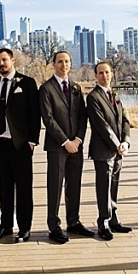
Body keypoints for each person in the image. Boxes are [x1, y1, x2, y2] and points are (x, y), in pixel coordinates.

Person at [0, 48, 41, 243]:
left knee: (24, 188)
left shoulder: (27, 83)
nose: (1, 64)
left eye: (4, 60)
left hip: (21, 144)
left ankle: (24, 228)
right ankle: (6, 225)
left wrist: (32, 142)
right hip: (0, 145)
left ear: (12, 60)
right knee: (5, 187)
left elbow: (35, 114)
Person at [39, 51, 93, 244]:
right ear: (53, 64)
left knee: (74, 185)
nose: (64, 65)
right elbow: (48, 119)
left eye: (67, 61)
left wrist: (78, 139)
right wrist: (65, 142)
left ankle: (73, 221)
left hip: (76, 146)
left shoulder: (76, 88)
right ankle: (54, 226)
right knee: (55, 186)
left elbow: (82, 116)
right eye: (60, 61)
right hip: (57, 146)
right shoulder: (46, 89)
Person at [86, 61, 133, 241]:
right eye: (101, 73)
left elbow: (125, 120)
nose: (104, 76)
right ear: (95, 76)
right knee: (104, 186)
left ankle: (113, 219)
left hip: (119, 150)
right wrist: (116, 144)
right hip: (103, 150)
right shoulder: (93, 97)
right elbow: (101, 125)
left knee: (114, 185)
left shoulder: (114, 94)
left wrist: (125, 142)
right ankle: (103, 222)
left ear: (111, 74)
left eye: (107, 72)